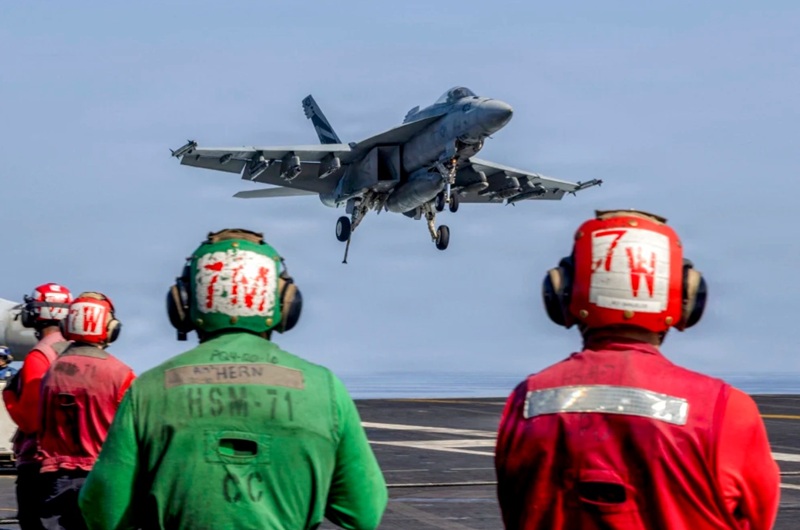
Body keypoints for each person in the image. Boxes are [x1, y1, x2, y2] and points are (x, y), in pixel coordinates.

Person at [78, 228, 388, 530]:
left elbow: (103, 511)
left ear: (183, 302)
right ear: (285, 302)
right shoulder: (325, 388)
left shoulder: (147, 390)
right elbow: (363, 512)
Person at [494, 209, 780, 529]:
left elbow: (517, 511)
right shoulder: (728, 410)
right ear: (687, 298)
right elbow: (758, 519)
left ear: (561, 291)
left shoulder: (527, 402)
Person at [38, 292, 135, 530]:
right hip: (103, 474)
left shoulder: (52, 370)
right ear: (111, 328)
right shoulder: (121, 373)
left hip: (57, 476)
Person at [3, 283, 72, 530]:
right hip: (77, 462)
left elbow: (31, 421)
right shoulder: (76, 351)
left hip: (41, 463)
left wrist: (10, 396)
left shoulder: (39, 355)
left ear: (33, 313)